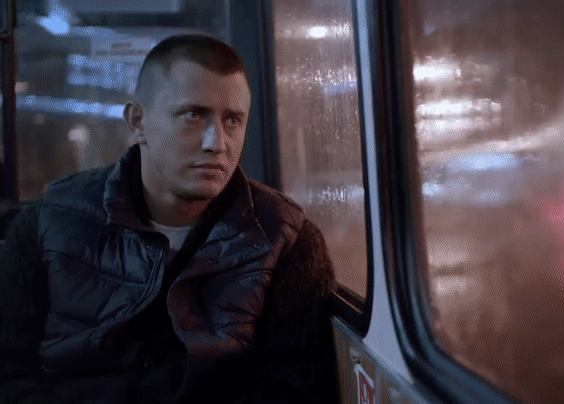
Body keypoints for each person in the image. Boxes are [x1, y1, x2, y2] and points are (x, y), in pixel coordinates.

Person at [0, 34, 339, 403]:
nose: (217, 143)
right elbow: (9, 373)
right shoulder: (50, 225)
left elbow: (292, 390)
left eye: (232, 120)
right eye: (193, 115)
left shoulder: (283, 240)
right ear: (138, 121)